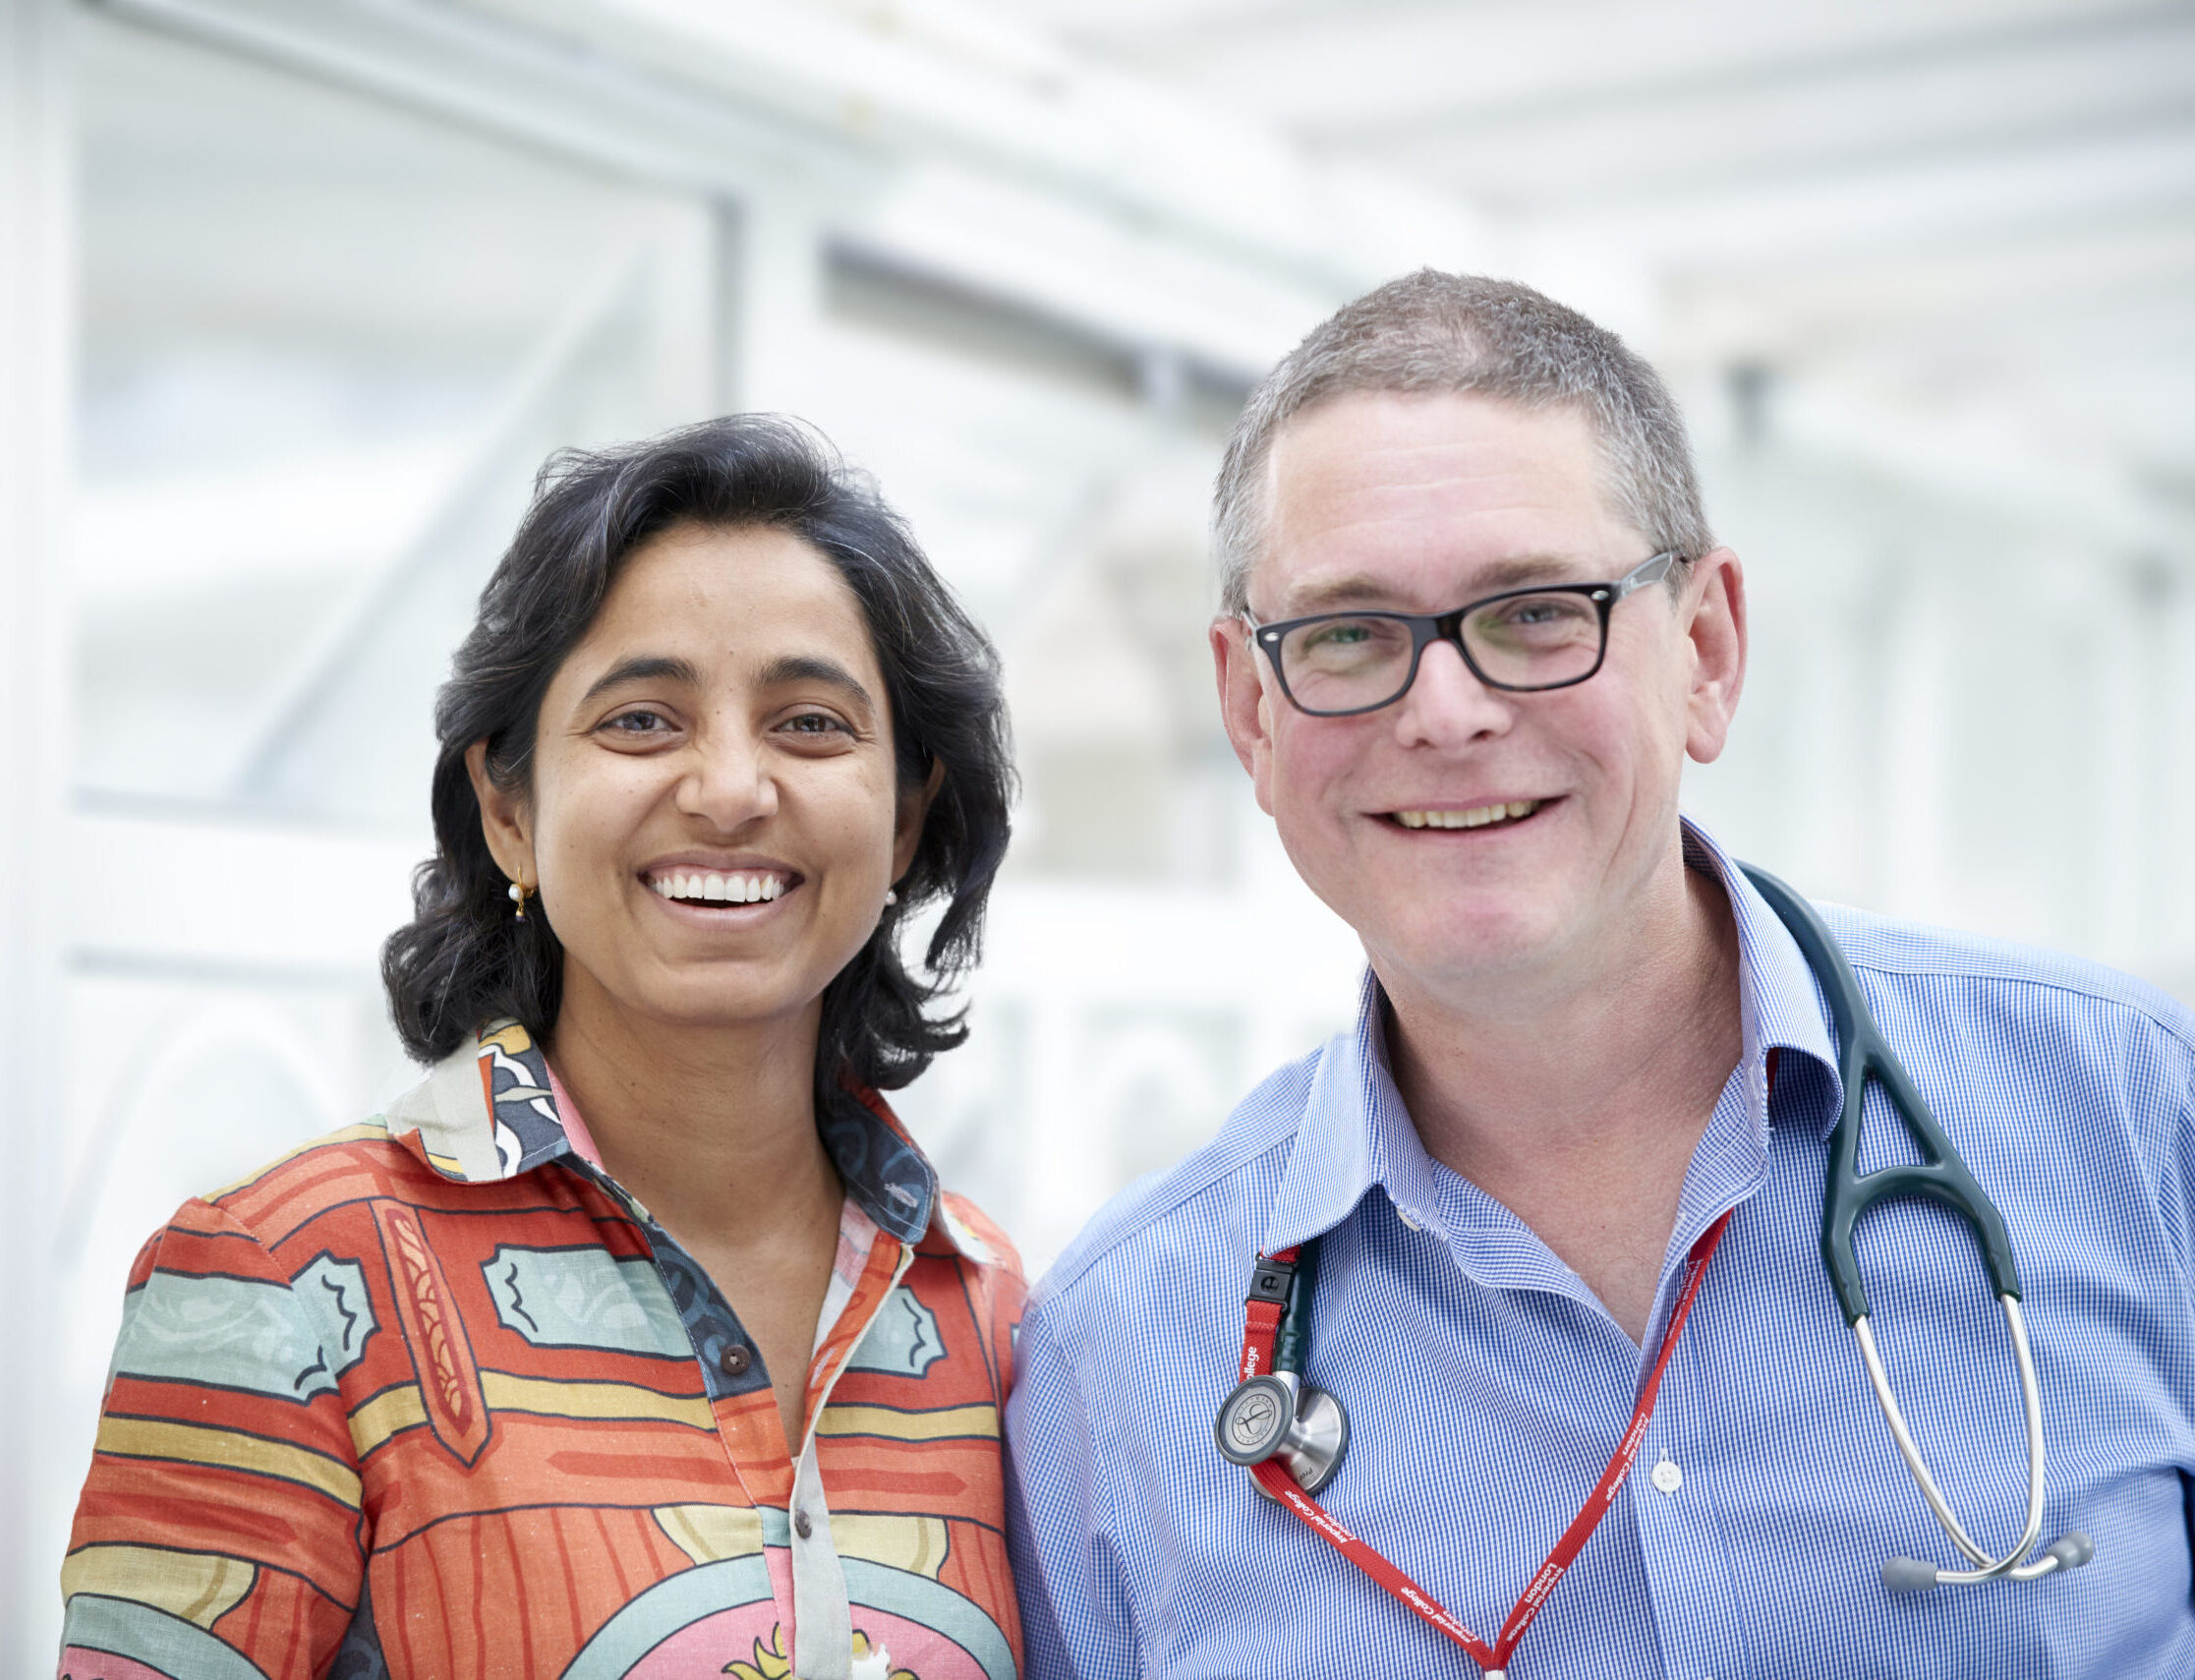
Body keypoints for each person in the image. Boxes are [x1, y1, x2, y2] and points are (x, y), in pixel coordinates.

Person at [1005, 271, 2195, 1677]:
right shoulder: (1112, 1363)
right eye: (1345, 634)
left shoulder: (2130, 1116)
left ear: (1704, 649)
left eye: (1533, 613)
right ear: (1251, 710)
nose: (1443, 711)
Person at [61, 417, 1027, 1680]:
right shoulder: (284, 1274)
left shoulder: (994, 1312)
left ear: (906, 817)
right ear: (509, 809)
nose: (731, 788)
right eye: (640, 720)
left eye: (807, 724)